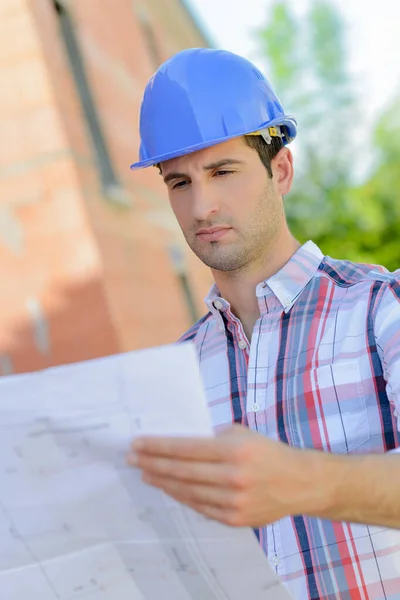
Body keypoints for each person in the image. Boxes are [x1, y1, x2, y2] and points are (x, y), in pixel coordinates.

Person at [128, 48, 400, 599]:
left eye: (222, 171)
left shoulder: (382, 308)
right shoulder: (171, 379)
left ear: (281, 169)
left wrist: (305, 481)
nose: (202, 206)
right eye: (179, 183)